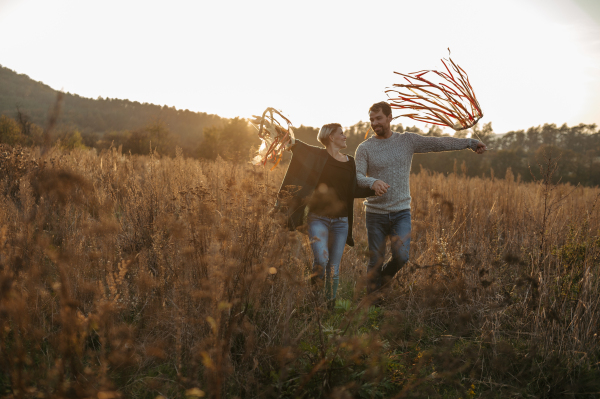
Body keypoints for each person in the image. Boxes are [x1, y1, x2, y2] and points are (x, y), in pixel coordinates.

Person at [355, 101, 486, 299]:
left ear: (390, 117)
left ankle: (380, 283)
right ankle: (372, 303)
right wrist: (372, 182)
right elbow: (357, 176)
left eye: (379, 118)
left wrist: (469, 143)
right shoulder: (364, 148)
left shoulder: (407, 141)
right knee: (375, 261)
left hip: (401, 212)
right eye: (372, 119)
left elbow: (438, 143)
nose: (375, 123)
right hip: (375, 213)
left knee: (402, 257)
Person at [276, 123, 375, 307]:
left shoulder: (350, 161)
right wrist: (284, 136)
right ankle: (315, 301)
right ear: (331, 137)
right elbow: (297, 146)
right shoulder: (317, 157)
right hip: (318, 219)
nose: (345, 136)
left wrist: (374, 190)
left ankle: (329, 306)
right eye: (342, 133)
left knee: (334, 268)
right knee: (321, 260)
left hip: (341, 222)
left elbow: (352, 190)